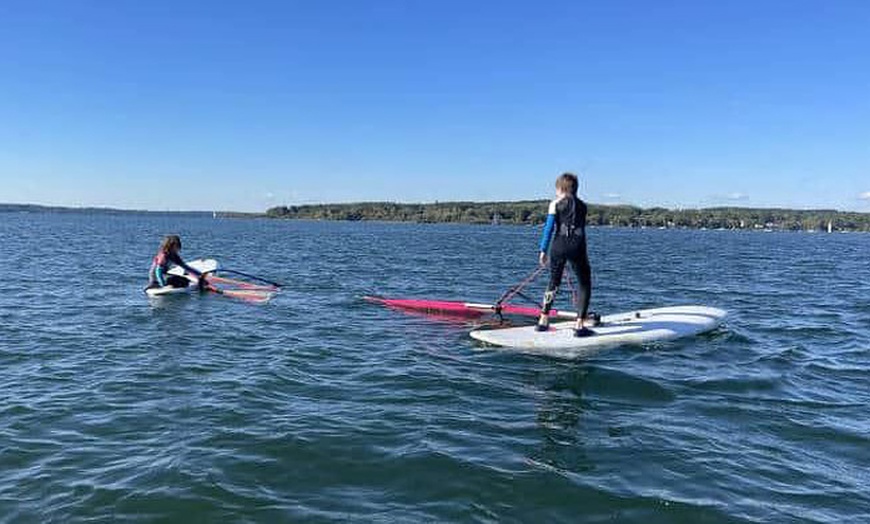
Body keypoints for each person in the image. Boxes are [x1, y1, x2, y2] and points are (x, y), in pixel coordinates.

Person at [536, 173, 594, 337]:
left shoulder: (555, 204)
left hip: (559, 246)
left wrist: (543, 250)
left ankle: (543, 320)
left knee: (554, 281)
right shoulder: (583, 206)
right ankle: (579, 324)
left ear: (561, 189)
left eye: (556, 189)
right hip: (577, 247)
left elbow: (549, 229)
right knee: (584, 283)